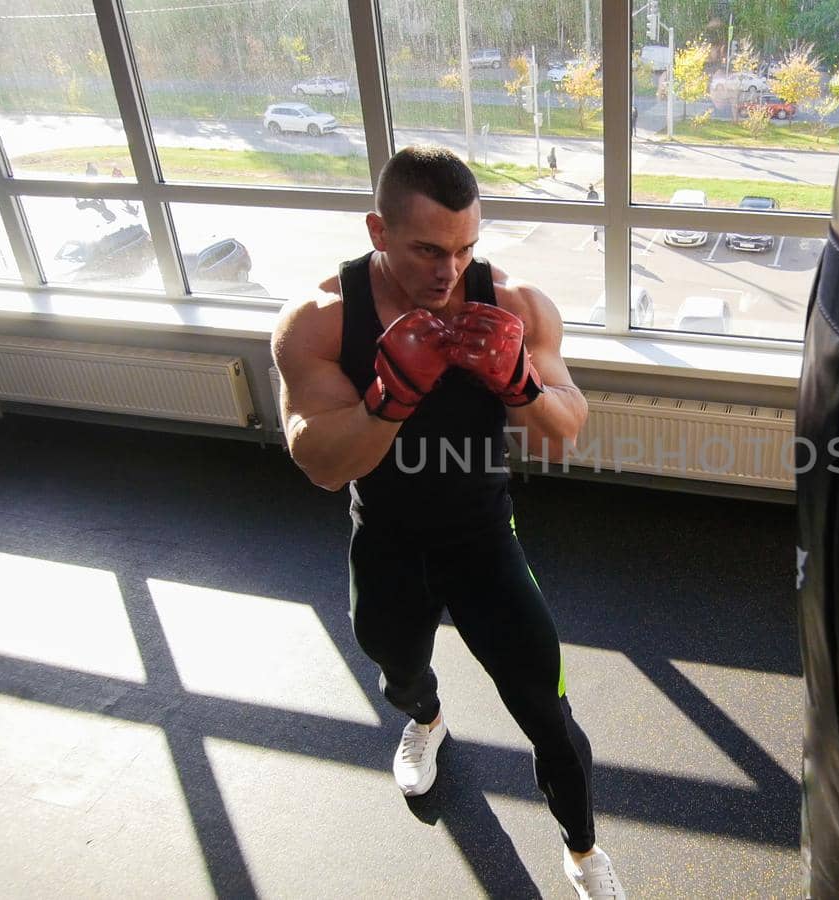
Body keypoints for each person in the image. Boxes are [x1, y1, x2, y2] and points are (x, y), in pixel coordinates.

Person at [274, 145, 625, 899]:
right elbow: (322, 464)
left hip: (484, 540)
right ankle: (427, 721)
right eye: (426, 249)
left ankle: (582, 849)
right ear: (378, 230)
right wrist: (389, 397)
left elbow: (566, 428)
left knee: (548, 711)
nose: (448, 271)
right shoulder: (322, 321)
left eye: (465, 247)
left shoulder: (517, 304)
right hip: (389, 541)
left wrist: (520, 381)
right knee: (396, 667)